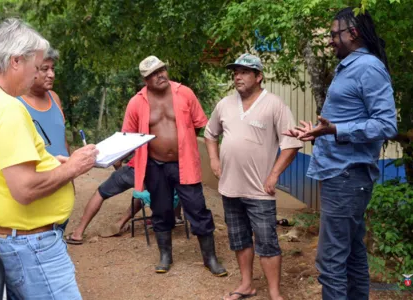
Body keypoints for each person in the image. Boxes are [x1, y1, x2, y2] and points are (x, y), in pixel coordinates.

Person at [0, 18, 98, 299]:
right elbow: (24, 188)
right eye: (36, 68)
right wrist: (72, 167)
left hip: (6, 238)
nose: (38, 75)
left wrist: (52, 165)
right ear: (15, 61)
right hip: (31, 245)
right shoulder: (7, 109)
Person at [283, 7, 397, 300]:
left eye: (335, 34)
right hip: (340, 173)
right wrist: (314, 132)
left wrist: (335, 130)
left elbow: (386, 124)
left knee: (331, 261)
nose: (330, 40)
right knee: (353, 255)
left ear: (353, 34)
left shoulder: (368, 67)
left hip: (347, 176)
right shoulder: (349, 66)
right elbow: (342, 121)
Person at [204, 53, 302, 300]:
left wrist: (274, 175)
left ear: (259, 76)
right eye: (235, 72)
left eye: (244, 72)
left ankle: (274, 293)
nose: (238, 76)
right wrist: (214, 160)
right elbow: (209, 134)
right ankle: (246, 284)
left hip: (260, 190)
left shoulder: (274, 105)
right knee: (239, 239)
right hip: (230, 188)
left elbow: (290, 144)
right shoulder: (224, 104)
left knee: (267, 242)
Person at [121, 55, 227, 276]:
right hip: (154, 166)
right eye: (152, 74)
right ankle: (165, 255)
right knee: (160, 211)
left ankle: (210, 258)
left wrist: (183, 144)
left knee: (198, 210)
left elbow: (201, 124)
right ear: (145, 80)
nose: (159, 75)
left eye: (161, 70)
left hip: (184, 164)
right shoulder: (136, 102)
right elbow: (128, 137)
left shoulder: (184, 93)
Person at [65, 158, 184, 244]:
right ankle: (121, 222)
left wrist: (118, 168)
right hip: (156, 172)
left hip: (135, 168)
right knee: (143, 192)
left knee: (100, 193)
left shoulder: (143, 127)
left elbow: (119, 159)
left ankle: (78, 233)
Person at [17, 47, 71, 231]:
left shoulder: (54, 98)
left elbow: (61, 137)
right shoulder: (15, 103)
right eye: (44, 69)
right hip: (40, 183)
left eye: (53, 69)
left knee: (60, 232)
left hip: (62, 182)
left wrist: (70, 173)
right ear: (30, 70)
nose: (51, 74)